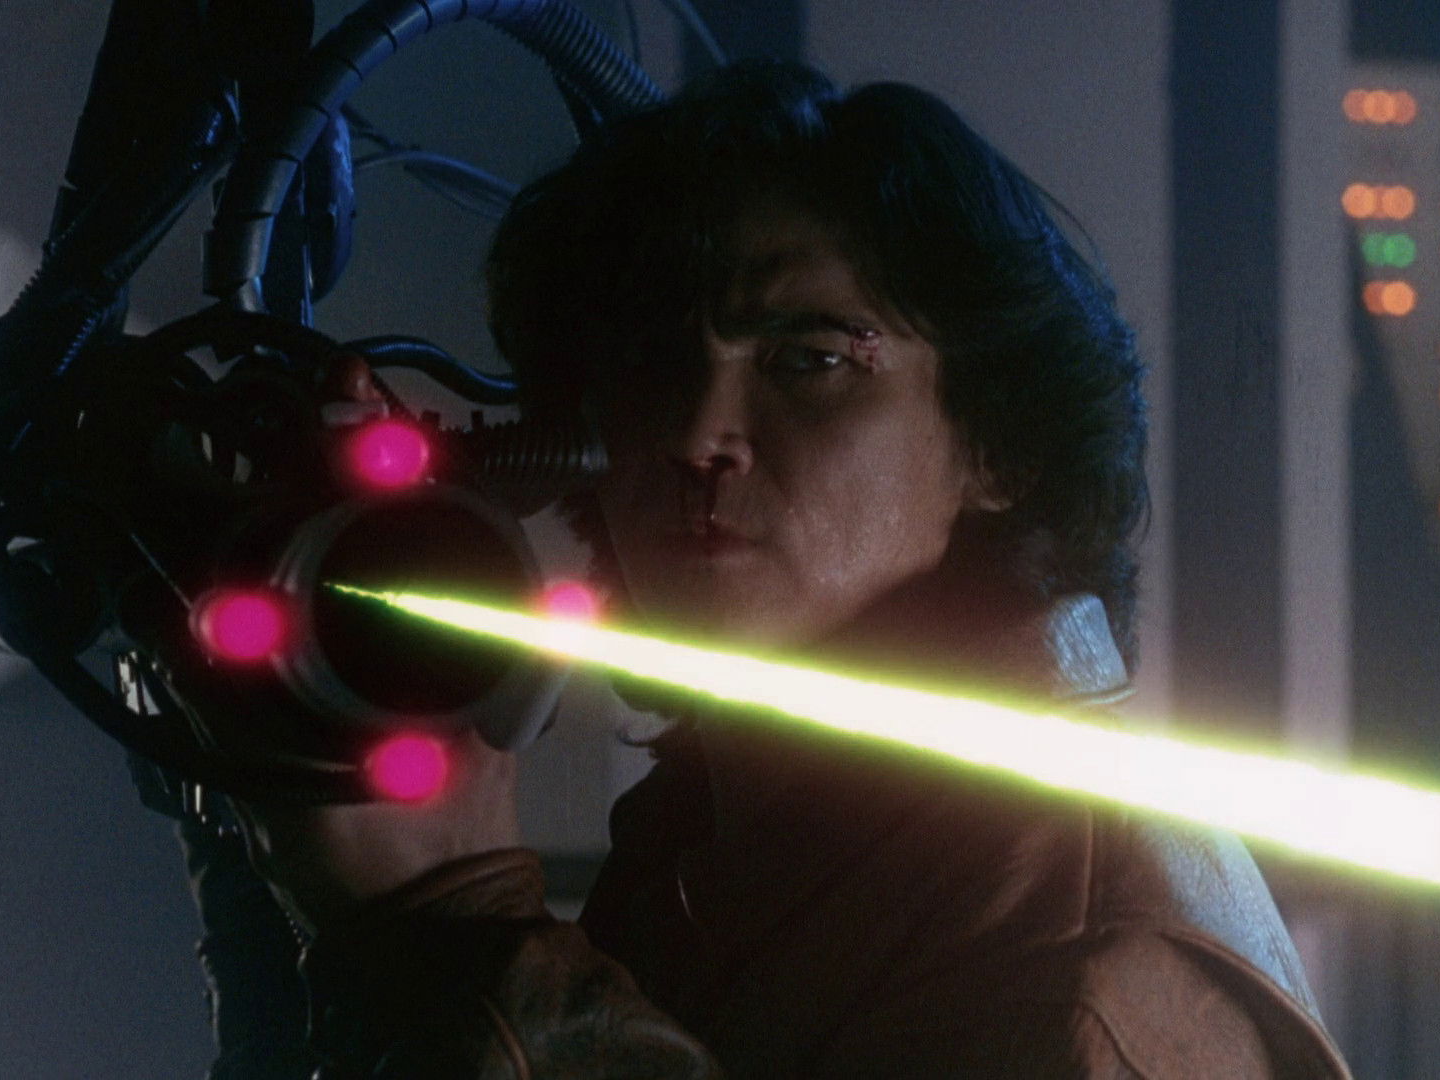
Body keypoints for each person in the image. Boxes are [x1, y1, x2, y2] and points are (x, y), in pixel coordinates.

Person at [178, 61, 1354, 1077]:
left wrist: (461, 935)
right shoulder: (737, 837)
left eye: (809, 361)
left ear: (999, 447)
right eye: (652, 358)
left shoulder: (1094, 957)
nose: (699, 434)